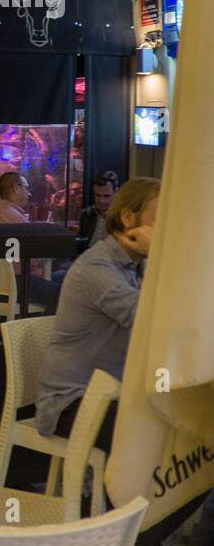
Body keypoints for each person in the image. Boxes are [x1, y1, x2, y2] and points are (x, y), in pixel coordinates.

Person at [35, 177, 160, 447]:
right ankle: (105, 489)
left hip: (118, 391)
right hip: (72, 401)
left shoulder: (140, 265)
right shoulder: (97, 268)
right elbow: (151, 320)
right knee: (163, 435)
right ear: (128, 218)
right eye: (160, 218)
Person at [78, 171, 119, 247]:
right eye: (97, 195)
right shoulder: (87, 214)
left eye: (106, 196)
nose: (101, 200)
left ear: (116, 192)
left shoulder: (122, 217)